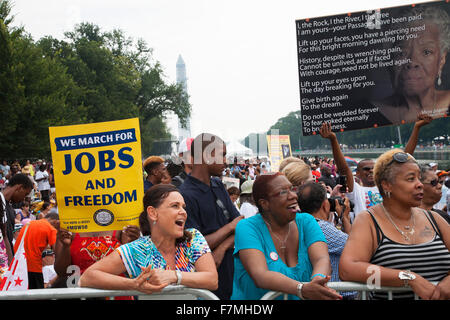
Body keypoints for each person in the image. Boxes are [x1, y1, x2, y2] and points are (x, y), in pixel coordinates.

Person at [339, 149, 450, 300]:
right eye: (411, 179)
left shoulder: (434, 219)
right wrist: (407, 278)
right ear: (386, 185)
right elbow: (348, 269)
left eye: (419, 178)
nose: (420, 185)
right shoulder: (369, 220)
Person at [79, 184, 218, 294]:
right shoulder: (137, 249)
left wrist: (174, 276)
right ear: (153, 213)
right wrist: (134, 285)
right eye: (175, 206)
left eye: (183, 207)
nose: (183, 212)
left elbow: (212, 280)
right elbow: (87, 277)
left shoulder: (193, 238)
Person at [231, 172, 342, 300]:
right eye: (283, 192)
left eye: (292, 189)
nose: (293, 196)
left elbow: (321, 258)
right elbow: (260, 275)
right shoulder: (247, 227)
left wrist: (317, 281)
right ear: (264, 203)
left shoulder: (306, 221)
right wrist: (302, 289)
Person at [179, 133, 243, 299]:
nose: (226, 161)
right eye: (222, 155)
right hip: (206, 282)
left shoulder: (217, 184)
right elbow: (196, 244)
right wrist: (229, 227)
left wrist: (221, 248)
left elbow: (241, 226)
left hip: (229, 270)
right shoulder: (185, 195)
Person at [372, 5, 450, 124]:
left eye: (426, 52)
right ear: (390, 61)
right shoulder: (368, 112)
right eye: (402, 52)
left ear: (441, 60)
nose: (412, 62)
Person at [297, 181, 356, 299]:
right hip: (338, 294)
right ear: (325, 204)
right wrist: (345, 217)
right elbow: (354, 248)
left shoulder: (301, 224)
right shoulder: (321, 227)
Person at [14, 212, 60, 289]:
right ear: (56, 222)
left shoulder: (29, 223)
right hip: (34, 267)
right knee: (37, 294)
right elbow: (57, 251)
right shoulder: (51, 229)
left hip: (19, 264)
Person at [0, 173, 33, 254]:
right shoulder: (1, 203)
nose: (23, 199)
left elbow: (7, 236)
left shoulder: (10, 208)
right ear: (20, 188)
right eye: (25, 194)